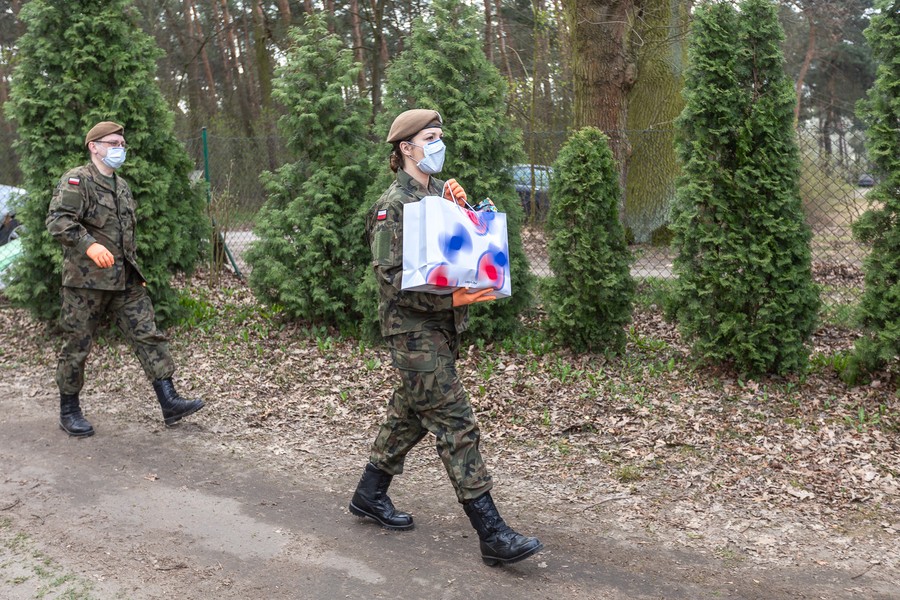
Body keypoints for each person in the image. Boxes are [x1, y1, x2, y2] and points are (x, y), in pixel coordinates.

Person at [349, 109, 543, 567]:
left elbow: (457, 250)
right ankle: (491, 533)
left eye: (440, 137)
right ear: (405, 148)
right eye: (429, 138)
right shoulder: (392, 205)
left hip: (439, 330)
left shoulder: (437, 194)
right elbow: (394, 282)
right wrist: (455, 301)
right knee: (456, 425)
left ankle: (368, 495)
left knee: (410, 413)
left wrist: (466, 210)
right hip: (412, 332)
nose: (438, 145)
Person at [46, 121, 204, 437]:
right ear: (94, 146)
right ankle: (69, 410)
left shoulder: (121, 186)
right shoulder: (78, 181)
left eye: (122, 143)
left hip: (124, 279)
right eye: (114, 142)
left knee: (148, 334)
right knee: (77, 345)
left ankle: (169, 402)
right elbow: (58, 220)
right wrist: (89, 245)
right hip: (86, 283)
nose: (120, 148)